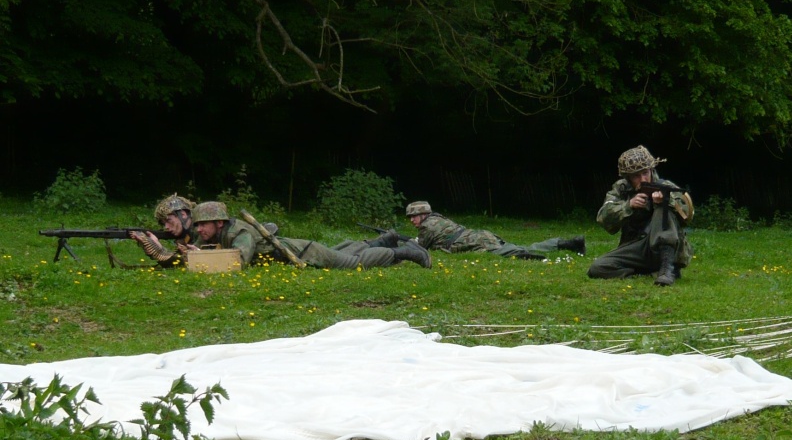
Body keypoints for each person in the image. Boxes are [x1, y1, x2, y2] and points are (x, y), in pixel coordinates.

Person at [189, 201, 432, 269]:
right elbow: (197, 250)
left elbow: (237, 261)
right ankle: (384, 240)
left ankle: (405, 253)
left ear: (219, 222)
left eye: (203, 225)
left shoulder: (239, 232)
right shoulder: (213, 235)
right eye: (197, 226)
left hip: (305, 252)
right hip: (302, 249)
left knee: (352, 263)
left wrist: (203, 259)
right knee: (342, 252)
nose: (199, 231)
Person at [587, 145, 694, 286]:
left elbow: (687, 215)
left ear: (651, 170)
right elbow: (603, 217)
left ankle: (667, 269)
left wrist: (664, 202)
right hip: (636, 247)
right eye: (636, 176)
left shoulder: (665, 186)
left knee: (663, 208)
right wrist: (628, 206)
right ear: (628, 177)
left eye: (645, 173)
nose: (643, 179)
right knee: (597, 268)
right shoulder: (621, 189)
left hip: (666, 248)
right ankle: (643, 273)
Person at [403, 201, 585, 259]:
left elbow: (420, 248)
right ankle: (564, 243)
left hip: (472, 241)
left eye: (414, 217)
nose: (412, 220)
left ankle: (527, 256)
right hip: (477, 235)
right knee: (522, 245)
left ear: (424, 215)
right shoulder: (437, 219)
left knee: (510, 251)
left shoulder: (427, 226)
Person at [129, 194, 198, 267]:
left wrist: (158, 250)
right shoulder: (187, 235)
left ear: (183, 215)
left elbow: (192, 263)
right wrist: (154, 247)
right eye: (164, 223)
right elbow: (175, 263)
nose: (166, 227)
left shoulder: (200, 231)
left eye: (168, 220)